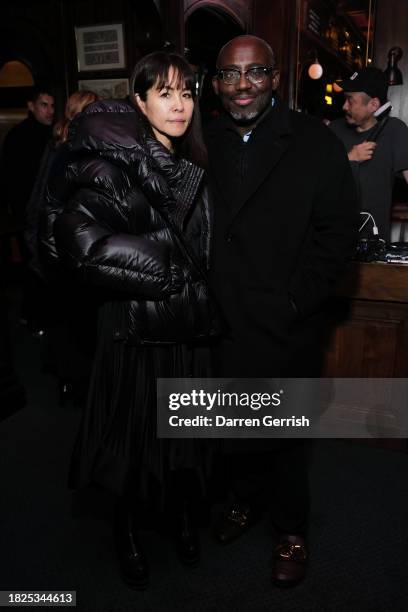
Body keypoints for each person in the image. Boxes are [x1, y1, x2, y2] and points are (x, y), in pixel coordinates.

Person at [40, 52, 220, 590]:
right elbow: (79, 243)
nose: (179, 103)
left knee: (185, 440)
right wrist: (162, 272)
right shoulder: (112, 163)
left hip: (188, 327)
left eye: (187, 91)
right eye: (164, 93)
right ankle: (128, 532)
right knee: (132, 439)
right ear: (138, 102)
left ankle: (182, 518)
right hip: (136, 328)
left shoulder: (197, 163)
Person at [205, 35, 358, 587]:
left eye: (254, 73)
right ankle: (244, 504)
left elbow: (337, 235)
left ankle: (292, 531)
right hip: (220, 318)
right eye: (228, 75)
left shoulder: (314, 142)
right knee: (233, 427)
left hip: (283, 321)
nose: (241, 86)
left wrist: (298, 299)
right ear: (215, 82)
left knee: (286, 438)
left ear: (275, 78)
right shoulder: (203, 138)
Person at [25, 90, 100, 405]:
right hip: (67, 253)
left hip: (65, 253)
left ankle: (72, 381)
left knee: (70, 323)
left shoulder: (65, 146)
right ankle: (75, 385)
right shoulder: (71, 151)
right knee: (75, 325)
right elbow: (50, 206)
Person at [330, 66, 408, 241]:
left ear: (373, 104)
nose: (344, 106)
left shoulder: (394, 130)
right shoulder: (334, 130)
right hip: (334, 241)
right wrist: (350, 158)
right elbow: (315, 179)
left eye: (351, 100)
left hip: (375, 242)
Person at [0, 85, 55, 331]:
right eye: (44, 105)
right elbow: (12, 179)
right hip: (28, 214)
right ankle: (33, 319)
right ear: (31, 107)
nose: (50, 110)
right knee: (33, 267)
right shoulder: (18, 136)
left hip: (44, 213)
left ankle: (36, 316)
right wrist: (21, 212)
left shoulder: (53, 135)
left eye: (53, 105)